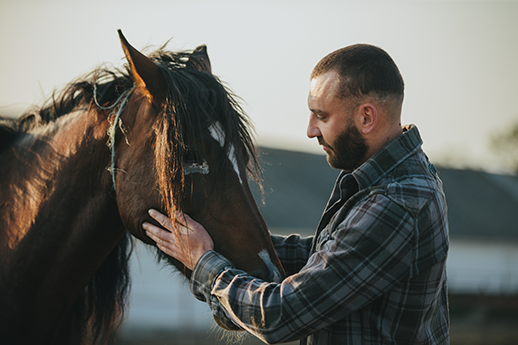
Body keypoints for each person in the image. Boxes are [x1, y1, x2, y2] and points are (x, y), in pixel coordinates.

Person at [143, 44, 450, 344]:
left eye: (322, 116)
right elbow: (325, 258)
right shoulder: (388, 177)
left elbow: (280, 315)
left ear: (366, 118)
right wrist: (229, 241)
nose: (310, 130)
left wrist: (204, 262)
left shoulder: (397, 202)